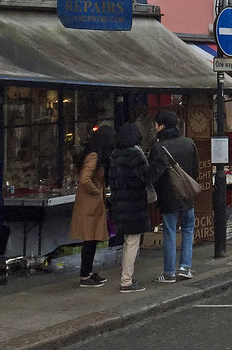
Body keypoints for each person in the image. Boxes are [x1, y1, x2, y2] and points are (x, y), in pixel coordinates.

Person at [109, 123, 166, 293]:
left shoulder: (115, 155)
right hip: (133, 204)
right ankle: (126, 280)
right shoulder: (135, 154)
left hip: (120, 203)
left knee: (129, 241)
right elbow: (147, 176)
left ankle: (127, 278)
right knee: (132, 242)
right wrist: (160, 162)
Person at [152, 110, 199, 283]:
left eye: (156, 124)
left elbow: (153, 175)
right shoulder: (189, 143)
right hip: (186, 194)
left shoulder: (157, 147)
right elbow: (195, 171)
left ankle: (169, 272)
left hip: (167, 196)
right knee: (188, 228)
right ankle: (185, 267)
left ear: (162, 126)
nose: (154, 128)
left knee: (170, 232)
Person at [68, 125, 116, 288]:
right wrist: (97, 191)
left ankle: (88, 272)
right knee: (89, 240)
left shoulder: (95, 155)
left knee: (93, 240)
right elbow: (85, 179)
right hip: (90, 205)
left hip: (92, 204)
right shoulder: (93, 156)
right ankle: (85, 275)